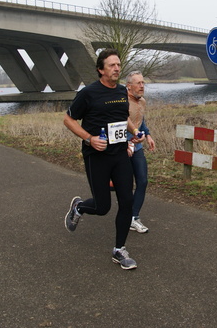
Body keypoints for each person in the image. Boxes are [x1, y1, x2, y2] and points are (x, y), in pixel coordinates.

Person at [62, 48, 144, 270]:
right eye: (111, 65)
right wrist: (89, 139)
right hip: (96, 156)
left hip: (119, 154)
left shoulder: (120, 92)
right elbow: (68, 120)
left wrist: (135, 132)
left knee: (127, 201)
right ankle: (79, 207)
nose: (117, 68)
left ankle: (119, 249)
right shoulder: (88, 93)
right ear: (101, 69)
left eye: (118, 64)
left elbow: (123, 117)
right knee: (102, 206)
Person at [125, 71, 156, 234]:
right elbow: (122, 122)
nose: (142, 86)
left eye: (143, 83)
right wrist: (133, 137)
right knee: (122, 185)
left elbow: (141, 121)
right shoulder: (122, 101)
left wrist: (148, 135)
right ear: (129, 86)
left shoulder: (142, 102)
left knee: (142, 181)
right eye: (138, 83)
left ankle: (133, 217)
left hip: (137, 148)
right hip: (122, 148)